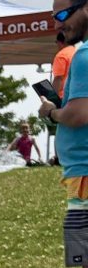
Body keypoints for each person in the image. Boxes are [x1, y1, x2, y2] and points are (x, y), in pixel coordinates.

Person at [39, 0, 88, 268]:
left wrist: (51, 111)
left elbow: (78, 114)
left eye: (62, 14)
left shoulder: (84, 55)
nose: (59, 23)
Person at [52, 32, 76, 167]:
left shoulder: (61, 55)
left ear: (60, 42)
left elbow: (58, 79)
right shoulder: (78, 52)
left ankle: (59, 159)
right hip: (79, 95)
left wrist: (52, 99)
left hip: (63, 98)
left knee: (61, 129)